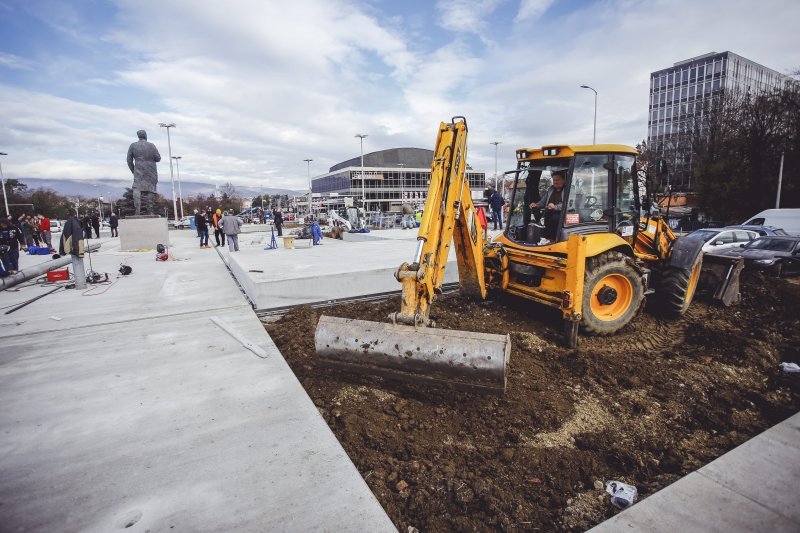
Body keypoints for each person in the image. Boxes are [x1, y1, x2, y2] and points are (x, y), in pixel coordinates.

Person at [126, 129, 162, 216]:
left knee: (137, 188)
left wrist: (133, 170)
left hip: (138, 169)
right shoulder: (151, 145)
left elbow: (129, 160)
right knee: (151, 189)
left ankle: (137, 210)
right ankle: (150, 211)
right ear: (145, 135)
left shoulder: (133, 145)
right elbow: (158, 158)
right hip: (151, 170)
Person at [530, 171, 565, 241]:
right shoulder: (551, 189)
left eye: (557, 180)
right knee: (534, 215)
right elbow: (543, 201)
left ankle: (550, 239)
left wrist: (555, 207)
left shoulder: (569, 190)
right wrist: (536, 205)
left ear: (564, 180)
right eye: (554, 180)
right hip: (548, 212)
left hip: (563, 214)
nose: (555, 182)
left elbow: (568, 204)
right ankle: (535, 237)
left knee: (554, 219)